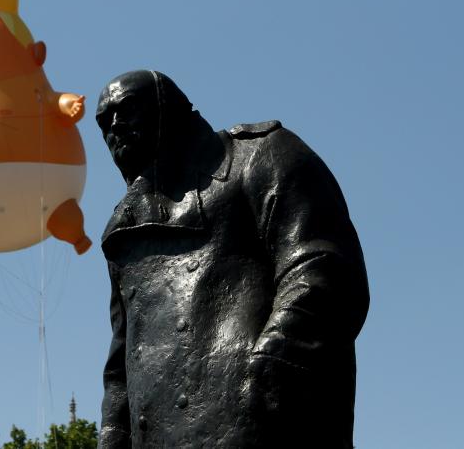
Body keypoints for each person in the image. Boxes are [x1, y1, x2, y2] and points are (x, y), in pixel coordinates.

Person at [95, 70, 369, 448]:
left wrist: (269, 370)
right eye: (103, 120)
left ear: (168, 109)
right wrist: (112, 435)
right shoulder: (123, 232)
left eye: (126, 109)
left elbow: (322, 269)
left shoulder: (261, 154)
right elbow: (122, 362)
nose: (114, 125)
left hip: (259, 425)